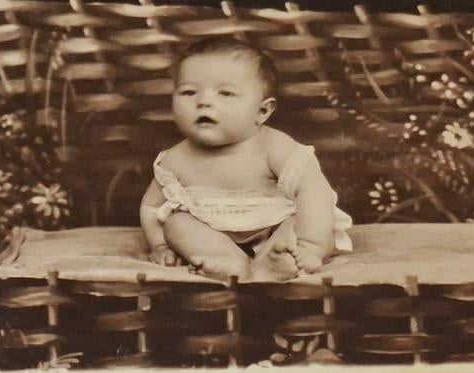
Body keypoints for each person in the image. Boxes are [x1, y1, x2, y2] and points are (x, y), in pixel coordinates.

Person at [139, 38, 352, 280]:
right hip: (213, 236)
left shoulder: (274, 146)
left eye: (226, 93)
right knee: (177, 224)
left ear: (262, 111)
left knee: (300, 218)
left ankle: (282, 259)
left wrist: (311, 245)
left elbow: (315, 192)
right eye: (189, 92)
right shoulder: (175, 159)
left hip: (275, 227)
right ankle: (229, 263)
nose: (204, 101)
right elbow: (151, 207)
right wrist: (160, 246)